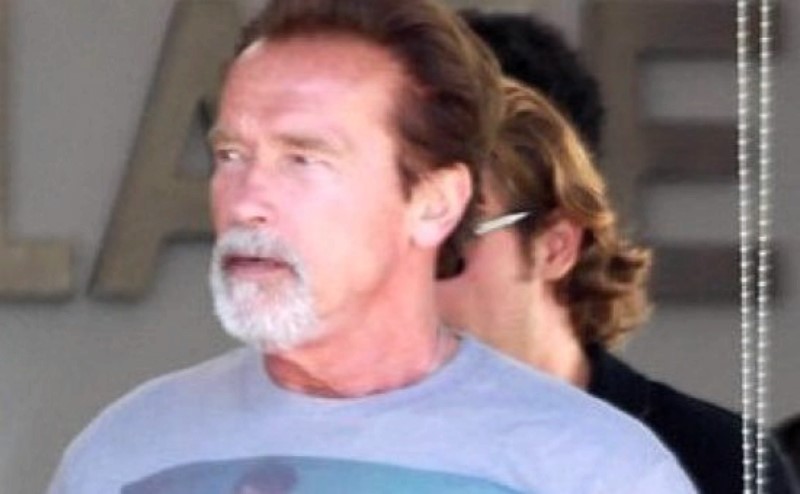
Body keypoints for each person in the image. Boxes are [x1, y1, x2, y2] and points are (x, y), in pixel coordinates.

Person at [46, 1, 696, 493]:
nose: (246, 201)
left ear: (434, 202)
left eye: (303, 158)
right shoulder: (123, 455)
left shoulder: (592, 468)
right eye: (231, 155)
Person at [440, 12, 797, 493]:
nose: (412, 272)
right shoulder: (364, 451)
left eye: (454, 239)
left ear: (556, 244)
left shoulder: (713, 461)